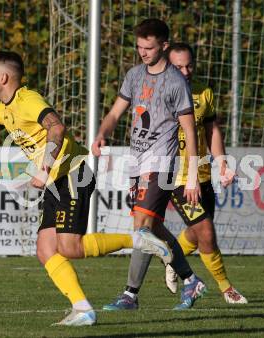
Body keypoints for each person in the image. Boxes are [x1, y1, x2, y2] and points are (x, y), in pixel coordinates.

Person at [0, 51, 176, 327]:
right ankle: (83, 309)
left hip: (71, 174)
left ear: (3, 77)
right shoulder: (3, 110)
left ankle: (138, 241)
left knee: (69, 247)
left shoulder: (28, 100)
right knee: (45, 250)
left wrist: (43, 169)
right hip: (57, 181)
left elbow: (56, 128)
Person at [102, 42, 248, 311]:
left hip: (197, 174)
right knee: (188, 229)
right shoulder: (158, 86)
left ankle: (179, 271)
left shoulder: (203, 92)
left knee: (187, 233)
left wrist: (222, 164)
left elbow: (211, 130)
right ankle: (222, 287)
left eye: (189, 65)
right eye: (179, 66)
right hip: (171, 174)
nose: (185, 70)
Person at [92, 19, 207, 312]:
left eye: (149, 47)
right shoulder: (134, 75)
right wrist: (103, 133)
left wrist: (192, 177)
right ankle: (191, 280)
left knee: (141, 227)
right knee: (154, 230)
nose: (143, 52)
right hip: (137, 164)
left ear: (164, 47)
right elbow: (116, 112)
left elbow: (190, 131)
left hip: (162, 165)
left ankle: (130, 295)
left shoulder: (176, 82)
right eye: (140, 47)